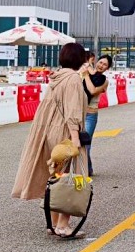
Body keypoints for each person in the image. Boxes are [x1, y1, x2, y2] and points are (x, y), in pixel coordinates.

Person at [11, 41, 89, 239]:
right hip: (64, 133)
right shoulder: (72, 79)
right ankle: (63, 225)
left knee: (55, 178)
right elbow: (72, 111)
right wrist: (74, 138)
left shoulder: (56, 77)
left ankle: (53, 224)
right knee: (71, 177)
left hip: (48, 131)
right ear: (80, 59)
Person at [81, 54, 112, 176]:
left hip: (90, 115)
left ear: (107, 68)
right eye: (100, 62)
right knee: (74, 143)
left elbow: (92, 90)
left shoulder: (104, 81)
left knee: (86, 144)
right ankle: (83, 169)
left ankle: (87, 171)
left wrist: (86, 75)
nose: (101, 65)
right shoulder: (87, 73)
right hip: (78, 112)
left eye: (105, 65)